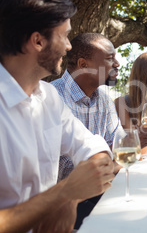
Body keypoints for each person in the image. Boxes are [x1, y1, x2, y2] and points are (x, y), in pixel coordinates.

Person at [0, 0, 115, 232]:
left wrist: (70, 200)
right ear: (38, 41)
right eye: (64, 36)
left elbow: (94, 146)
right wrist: (63, 194)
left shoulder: (49, 97)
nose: (69, 46)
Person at [51, 33, 122, 229]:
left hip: (100, 193)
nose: (117, 64)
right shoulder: (51, 98)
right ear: (83, 65)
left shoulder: (105, 100)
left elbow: (116, 151)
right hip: (57, 206)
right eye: (109, 58)